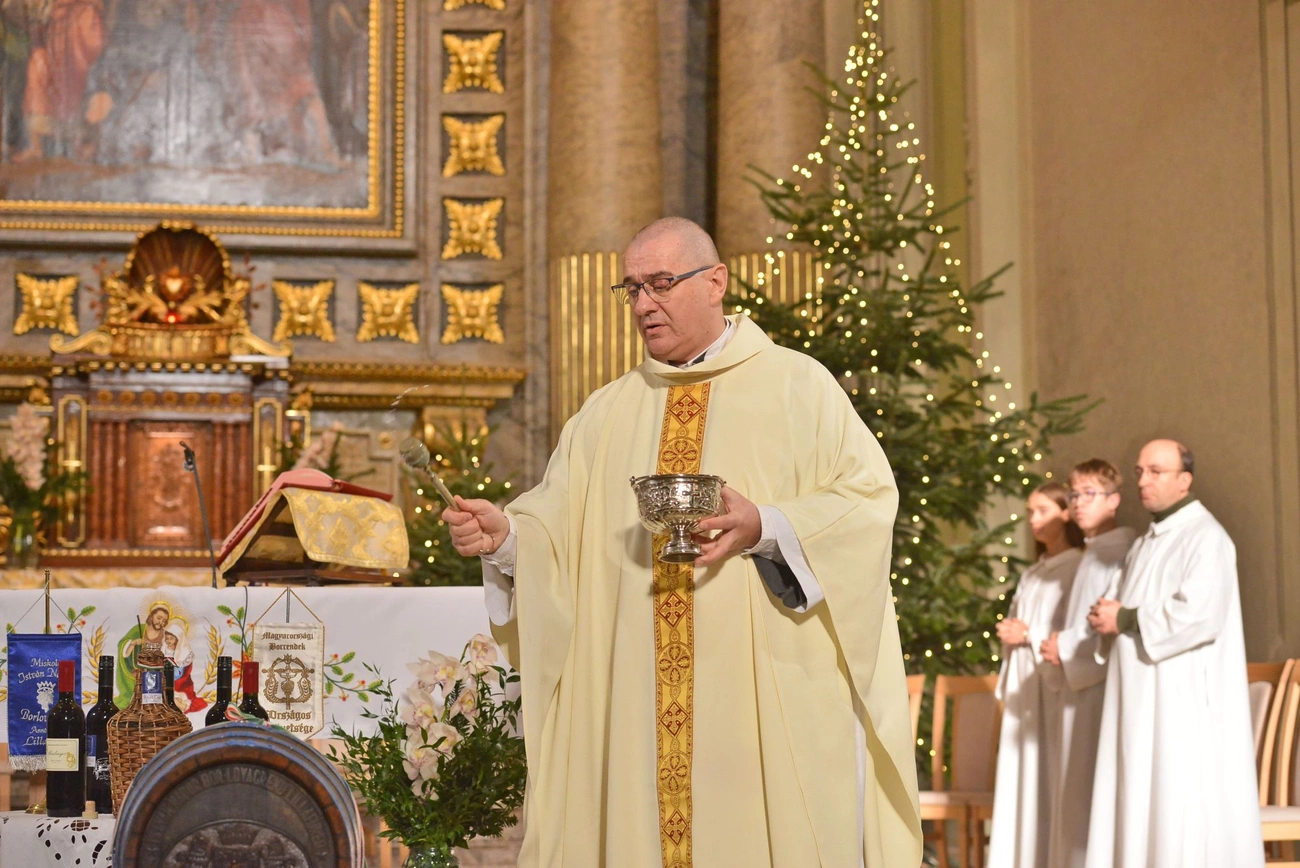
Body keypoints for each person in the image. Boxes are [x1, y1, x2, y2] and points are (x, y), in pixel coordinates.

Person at [441, 217, 921, 868]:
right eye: (632, 288)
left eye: (661, 283)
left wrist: (768, 525)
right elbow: (556, 525)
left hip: (759, 703)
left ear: (716, 281)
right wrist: (505, 537)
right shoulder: (606, 413)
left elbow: (865, 503)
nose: (643, 304)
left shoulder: (796, 386)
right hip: (634, 705)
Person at [1086, 439, 1262, 868]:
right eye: (1140, 470)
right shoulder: (1148, 541)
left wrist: (1125, 619)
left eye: (1156, 471)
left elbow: (1200, 615)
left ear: (1184, 480)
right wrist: (1106, 616)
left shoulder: (1206, 538)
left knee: (1174, 799)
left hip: (1178, 701)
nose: (1143, 480)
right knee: (1138, 798)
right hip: (1140, 698)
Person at [1039, 459, 1135, 868]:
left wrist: (1068, 645)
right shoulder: (1091, 552)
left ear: (1113, 501)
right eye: (1074, 494)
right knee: (1072, 796)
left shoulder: (1120, 552)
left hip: (1099, 689)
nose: (1078, 504)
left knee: (1087, 796)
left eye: (1088, 494)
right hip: (1077, 684)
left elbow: (1108, 623)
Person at [988, 483, 1083, 868]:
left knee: (1049, 779)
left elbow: (1075, 629)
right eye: (1029, 512)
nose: (1033, 520)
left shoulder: (1078, 566)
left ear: (1066, 514)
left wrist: (1029, 634)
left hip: (1052, 688)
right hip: (1027, 686)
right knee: (1022, 777)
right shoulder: (1034, 573)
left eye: (1042, 511)